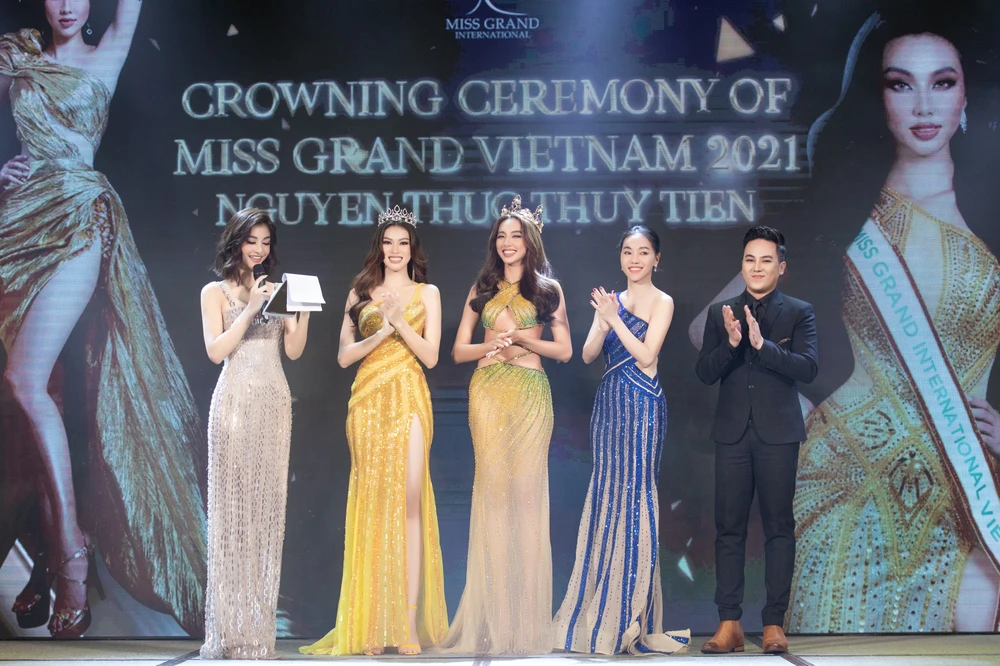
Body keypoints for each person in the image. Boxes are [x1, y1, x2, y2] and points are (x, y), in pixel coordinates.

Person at [782, 7, 1000, 633]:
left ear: (966, 95)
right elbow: (712, 327)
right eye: (901, 84)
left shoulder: (993, 216)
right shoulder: (842, 214)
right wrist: (796, 410)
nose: (924, 105)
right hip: (849, 478)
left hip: (969, 487)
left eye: (943, 82)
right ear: (878, 100)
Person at [0, 0, 206, 638]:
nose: (66, 5)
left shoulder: (108, 51)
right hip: (16, 228)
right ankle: (48, 548)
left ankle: (70, 556)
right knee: (43, 395)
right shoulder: (18, 57)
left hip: (79, 220)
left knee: (25, 381)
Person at [300, 206, 448, 656]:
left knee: (410, 502)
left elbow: (431, 356)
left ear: (413, 249)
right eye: (388, 242)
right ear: (379, 248)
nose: (395, 250)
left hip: (410, 394)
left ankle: (406, 624)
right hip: (367, 398)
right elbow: (344, 356)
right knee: (373, 502)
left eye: (403, 243)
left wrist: (400, 322)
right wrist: (383, 330)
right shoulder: (359, 291)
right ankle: (373, 625)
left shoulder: (428, 293)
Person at [438, 195, 572, 655]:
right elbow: (459, 350)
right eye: (502, 236)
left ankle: (527, 625)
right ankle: (494, 623)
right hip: (488, 394)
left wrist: (521, 340)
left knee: (528, 501)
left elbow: (564, 350)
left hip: (531, 393)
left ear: (529, 242)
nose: (508, 243)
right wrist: (490, 347)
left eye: (516, 236)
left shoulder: (548, 290)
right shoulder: (481, 288)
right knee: (493, 500)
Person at [551, 226, 690, 655]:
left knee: (636, 496)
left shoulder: (662, 301)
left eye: (643, 252)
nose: (635, 259)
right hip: (609, 405)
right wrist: (602, 320)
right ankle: (599, 611)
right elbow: (588, 354)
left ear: (656, 259)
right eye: (628, 252)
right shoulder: (612, 301)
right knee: (608, 495)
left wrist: (614, 319)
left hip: (643, 403)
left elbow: (647, 355)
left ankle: (631, 614)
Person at [695, 226, 818, 654]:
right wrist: (732, 343)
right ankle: (728, 623)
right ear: (742, 265)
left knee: (779, 527)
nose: (757, 267)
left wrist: (763, 346)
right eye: (750, 260)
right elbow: (704, 373)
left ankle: (773, 623)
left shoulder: (799, 312)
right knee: (728, 528)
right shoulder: (721, 312)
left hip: (778, 435)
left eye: (766, 260)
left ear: (781, 267)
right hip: (732, 434)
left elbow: (808, 368)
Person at [200, 208, 310, 660]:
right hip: (233, 405)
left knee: (265, 516)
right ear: (236, 242)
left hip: (273, 405)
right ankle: (227, 631)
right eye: (252, 241)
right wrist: (249, 309)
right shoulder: (215, 292)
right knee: (233, 516)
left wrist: (303, 311)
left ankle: (257, 632)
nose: (259, 250)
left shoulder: (278, 291)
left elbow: (294, 351)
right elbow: (216, 351)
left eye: (266, 242)